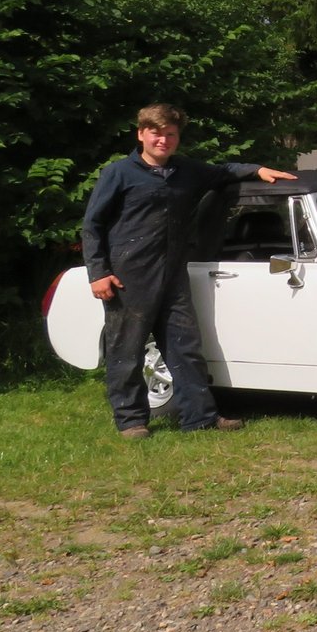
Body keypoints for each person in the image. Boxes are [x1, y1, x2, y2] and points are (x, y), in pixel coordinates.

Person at [81, 103, 297, 439]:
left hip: (173, 272)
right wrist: (98, 272)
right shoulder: (119, 173)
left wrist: (257, 170)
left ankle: (199, 417)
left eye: (170, 134)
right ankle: (131, 420)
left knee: (185, 346)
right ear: (141, 134)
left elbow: (223, 171)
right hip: (129, 274)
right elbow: (93, 224)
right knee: (127, 349)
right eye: (156, 133)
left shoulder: (186, 171)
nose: (163, 140)